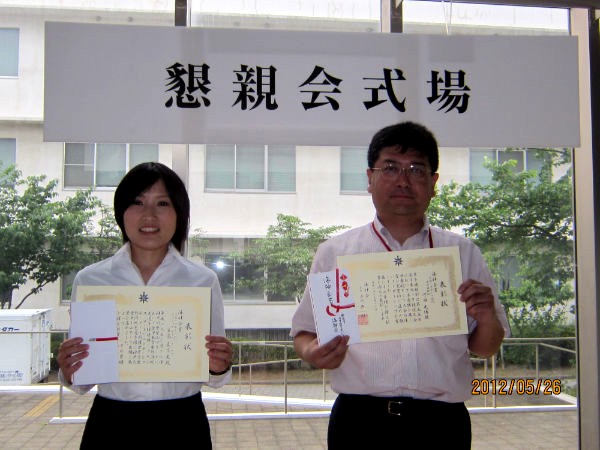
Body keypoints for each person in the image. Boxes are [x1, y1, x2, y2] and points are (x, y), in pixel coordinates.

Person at [291, 121, 510, 449]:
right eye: (390, 168)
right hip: (359, 421)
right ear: (370, 178)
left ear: (433, 183)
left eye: (416, 170)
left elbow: (486, 347)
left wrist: (487, 316)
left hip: (441, 424)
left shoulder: (462, 253)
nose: (403, 181)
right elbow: (305, 333)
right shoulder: (336, 253)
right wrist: (314, 352)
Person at [56, 162, 232, 449]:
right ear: (121, 212)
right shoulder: (91, 280)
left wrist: (219, 365)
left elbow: (216, 377)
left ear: (178, 213)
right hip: (111, 422)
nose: (149, 215)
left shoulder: (202, 281)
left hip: (182, 422)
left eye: (162, 203)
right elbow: (81, 382)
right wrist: (69, 368)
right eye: (137, 202)